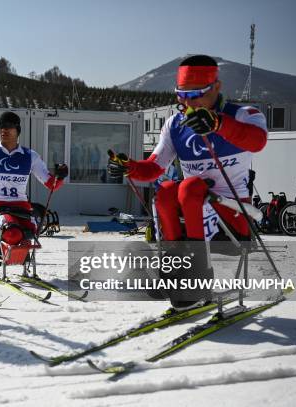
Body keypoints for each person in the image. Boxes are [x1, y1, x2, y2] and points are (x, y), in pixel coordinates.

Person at [108, 55, 268, 309]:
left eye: (195, 95)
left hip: (234, 219)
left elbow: (257, 141)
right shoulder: (175, 125)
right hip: (192, 210)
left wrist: (217, 125)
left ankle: (198, 279)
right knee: (166, 190)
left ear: (216, 87)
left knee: (190, 187)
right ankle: (173, 274)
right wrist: (129, 167)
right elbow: (153, 168)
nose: (186, 102)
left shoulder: (244, 115)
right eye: (180, 94)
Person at [0, 111, 68, 247]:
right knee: (13, 234)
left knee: (31, 230)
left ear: (17, 130)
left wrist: (60, 176)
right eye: (0, 126)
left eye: (8, 126)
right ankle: (10, 251)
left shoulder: (30, 156)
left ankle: (19, 255)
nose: (3, 130)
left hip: (22, 209)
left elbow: (52, 185)